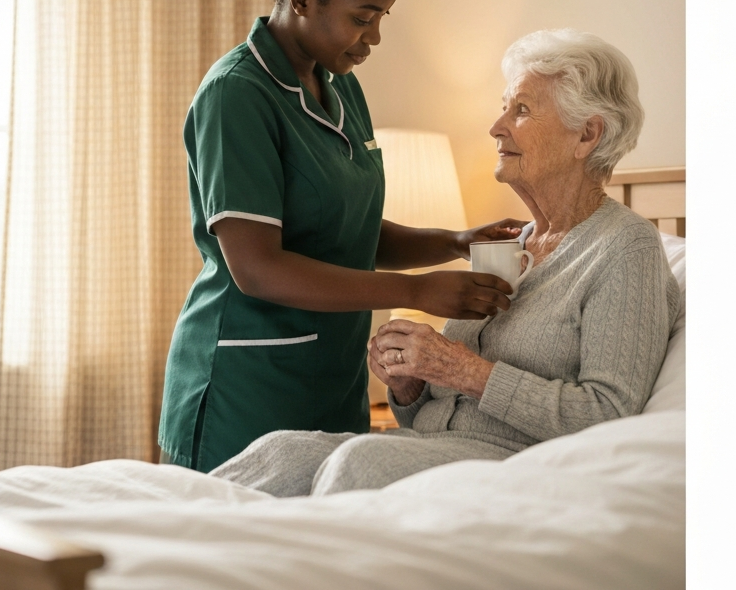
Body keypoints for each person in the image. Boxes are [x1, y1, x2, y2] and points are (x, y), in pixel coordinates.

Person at [209, 29, 682, 495]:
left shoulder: (627, 249)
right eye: (503, 108)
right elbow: (435, 418)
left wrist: (463, 370)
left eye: (520, 111)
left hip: (517, 465)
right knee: (281, 452)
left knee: (362, 462)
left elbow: (607, 415)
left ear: (587, 134)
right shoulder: (514, 244)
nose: (496, 127)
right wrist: (411, 384)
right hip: (435, 447)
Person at [158, 0, 526, 472]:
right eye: (362, 18)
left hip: (333, 377)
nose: (373, 38)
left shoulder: (340, 88)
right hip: (246, 382)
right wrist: (415, 292)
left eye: (381, 18)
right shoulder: (238, 94)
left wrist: (456, 242)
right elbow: (257, 269)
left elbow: (348, 230)